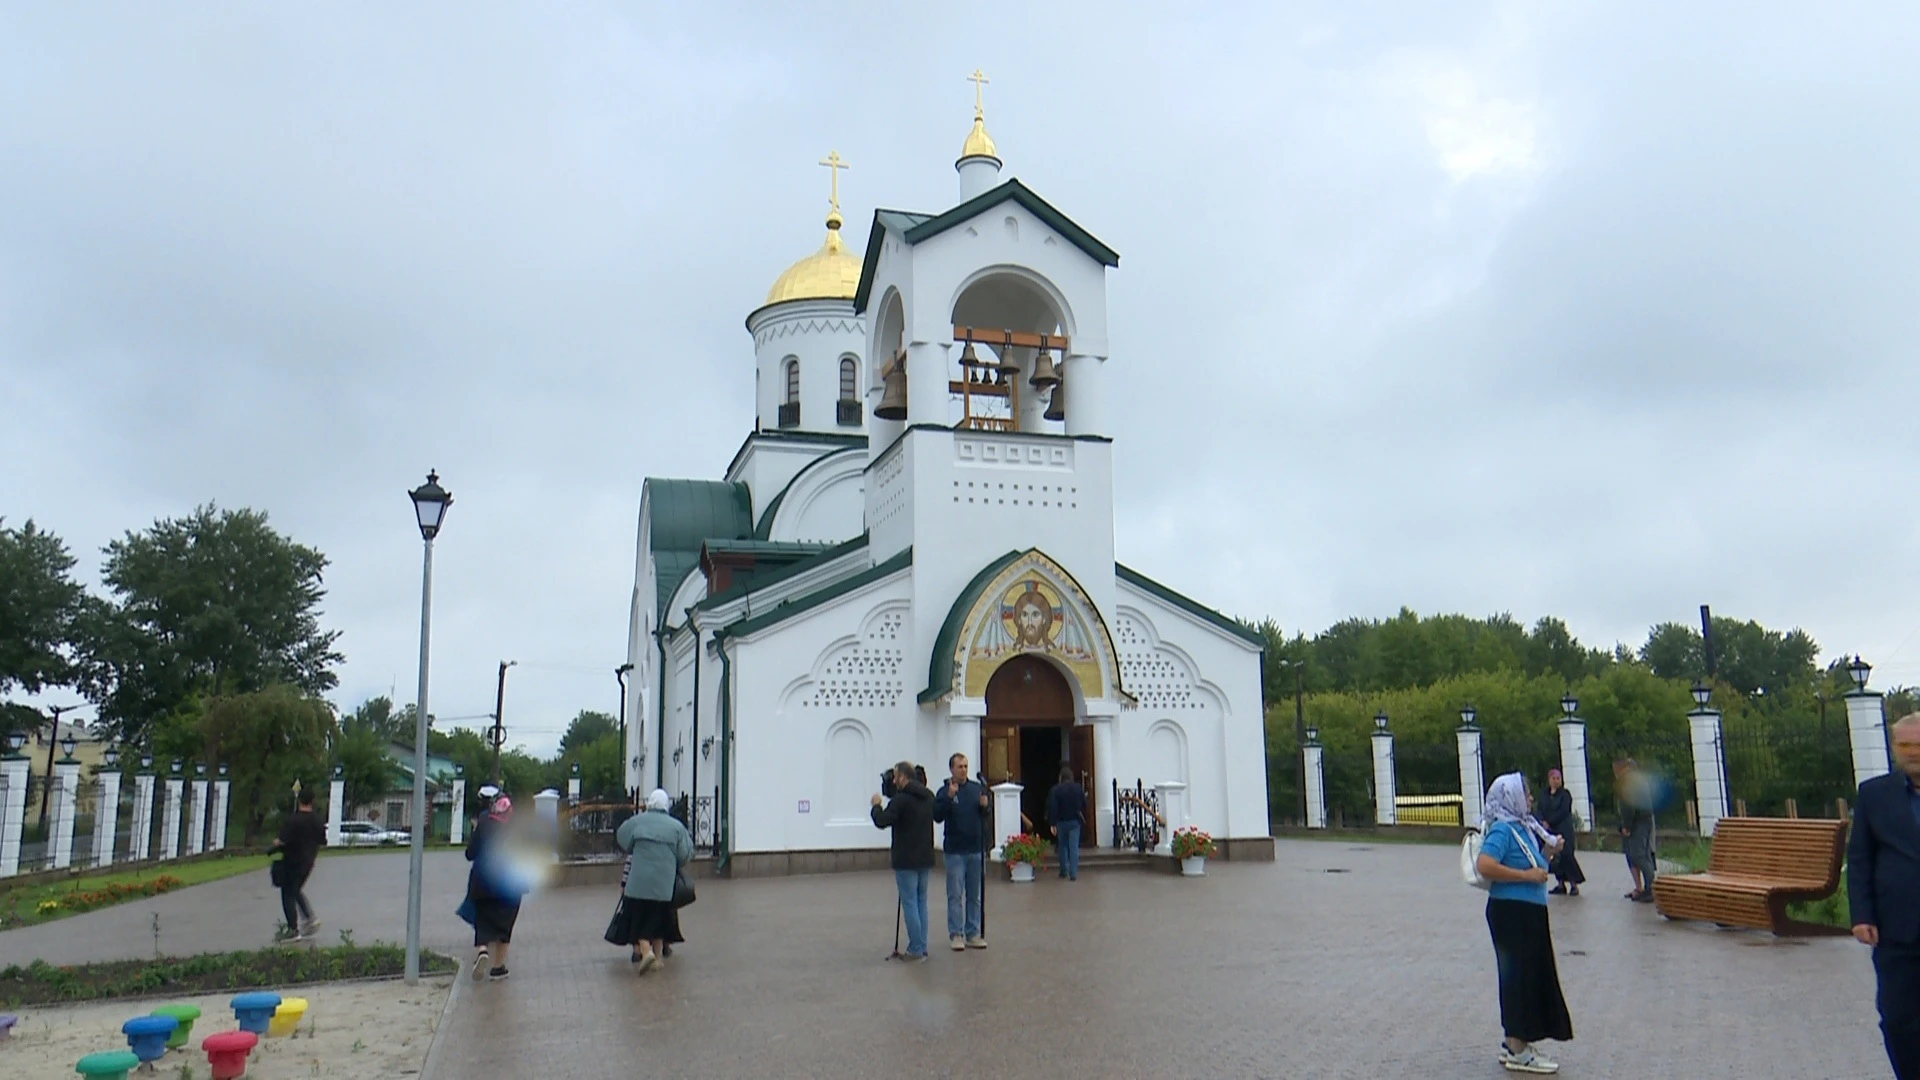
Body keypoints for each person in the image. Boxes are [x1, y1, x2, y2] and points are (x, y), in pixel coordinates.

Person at [1475, 772, 1573, 1074]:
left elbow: (1535, 864)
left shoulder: (1523, 827)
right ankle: (1518, 1049)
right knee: (1519, 978)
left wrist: (1549, 852)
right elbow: (1486, 864)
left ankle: (1515, 1041)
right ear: (1510, 797)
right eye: (1526, 793)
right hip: (1512, 912)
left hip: (1528, 912)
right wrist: (1525, 877)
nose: (1531, 798)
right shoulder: (1503, 829)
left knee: (1529, 975)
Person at [1849, 713, 1920, 1077]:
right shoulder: (1875, 794)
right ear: (1894, 748)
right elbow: (1860, 858)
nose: (1913, 753)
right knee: (1898, 1018)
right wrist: (1862, 914)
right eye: (1906, 745)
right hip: (1898, 928)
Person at [614, 789, 694, 975]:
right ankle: (657, 959)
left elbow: (622, 837)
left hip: (638, 884)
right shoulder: (676, 827)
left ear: (650, 804)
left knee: (637, 920)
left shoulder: (637, 822)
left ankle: (646, 951)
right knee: (659, 919)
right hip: (664, 886)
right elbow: (685, 854)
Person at [871, 760, 934, 962]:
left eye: (896, 776)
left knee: (909, 902)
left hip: (906, 859)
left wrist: (876, 807)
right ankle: (922, 945)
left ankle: (916, 948)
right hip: (925, 856)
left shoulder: (901, 800)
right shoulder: (928, 796)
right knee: (921, 902)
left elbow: (882, 821)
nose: (894, 780)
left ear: (903, 777)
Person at [931, 752, 991, 951]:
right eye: (959, 767)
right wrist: (949, 798)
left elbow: (986, 816)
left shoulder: (977, 789)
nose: (963, 770)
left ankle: (973, 932)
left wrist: (985, 807)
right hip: (955, 850)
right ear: (951, 769)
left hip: (975, 849)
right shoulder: (945, 791)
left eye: (965, 766)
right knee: (955, 894)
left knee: (974, 895)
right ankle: (956, 933)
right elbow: (937, 816)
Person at [464, 795, 523, 982]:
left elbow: (470, 854)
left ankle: (482, 950)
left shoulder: (483, 825)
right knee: (505, 924)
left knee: (482, 919)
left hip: (482, 882)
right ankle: (498, 968)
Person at [271, 792, 326, 940]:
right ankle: (309, 918)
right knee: (295, 890)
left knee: (288, 892)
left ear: (300, 800)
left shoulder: (293, 820)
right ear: (313, 801)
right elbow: (322, 840)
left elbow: (283, 840)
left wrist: (276, 843)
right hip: (308, 861)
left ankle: (293, 930)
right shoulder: (317, 820)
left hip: (292, 861)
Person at [1613, 759, 1657, 901]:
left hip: (1639, 821)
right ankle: (1648, 887)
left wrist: (1627, 826)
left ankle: (1651, 888)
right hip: (1643, 819)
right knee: (1640, 854)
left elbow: (1628, 806)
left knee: (1639, 855)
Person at [1539, 769, 1584, 897]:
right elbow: (1540, 809)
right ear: (1549, 780)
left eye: (1558, 778)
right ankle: (1560, 884)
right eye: (1554, 778)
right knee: (1555, 858)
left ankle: (1573, 884)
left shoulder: (1565, 795)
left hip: (1564, 829)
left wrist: (1550, 821)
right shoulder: (1544, 794)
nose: (1556, 781)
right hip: (1550, 831)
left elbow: (1564, 811)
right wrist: (1542, 821)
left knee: (1567, 856)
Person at [1047, 765, 1088, 881]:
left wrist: (1052, 823)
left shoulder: (1056, 790)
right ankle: (1073, 873)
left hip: (1061, 822)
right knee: (1073, 847)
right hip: (1075, 821)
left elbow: (1053, 807)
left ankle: (1063, 870)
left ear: (1061, 777)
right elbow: (1084, 804)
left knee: (1062, 847)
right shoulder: (1078, 788)